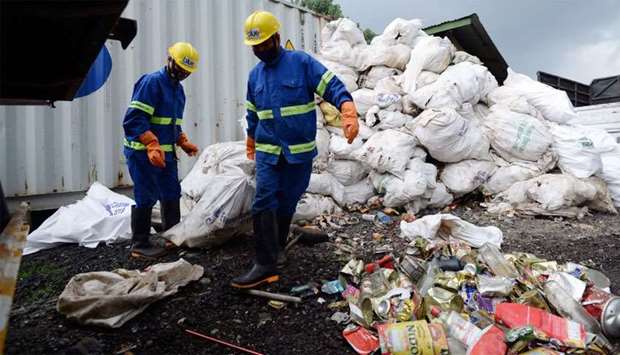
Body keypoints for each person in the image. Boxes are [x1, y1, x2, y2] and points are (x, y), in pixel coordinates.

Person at [231, 11, 359, 288]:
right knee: (263, 200)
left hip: (298, 153)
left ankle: (277, 249)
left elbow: (330, 85)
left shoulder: (300, 63)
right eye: (255, 46)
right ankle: (264, 264)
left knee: (287, 200)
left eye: (264, 43)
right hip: (268, 151)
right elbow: (253, 111)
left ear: (276, 38)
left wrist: (347, 109)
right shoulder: (255, 76)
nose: (260, 50)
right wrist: (251, 138)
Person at [123, 42, 200, 258]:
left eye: (187, 71)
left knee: (171, 192)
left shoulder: (178, 90)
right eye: (181, 68)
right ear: (170, 60)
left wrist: (182, 140)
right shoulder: (152, 83)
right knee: (146, 195)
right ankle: (139, 244)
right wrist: (150, 144)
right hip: (141, 152)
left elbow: (171, 123)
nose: (183, 73)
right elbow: (133, 120)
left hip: (165, 154)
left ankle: (172, 238)